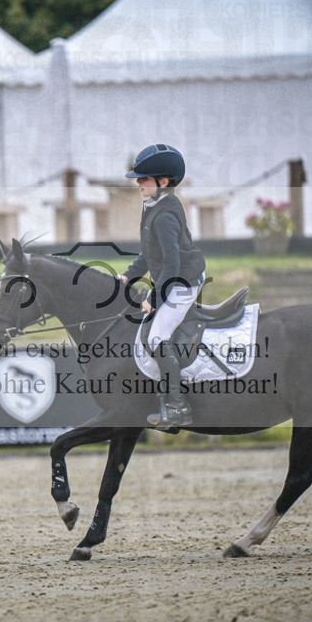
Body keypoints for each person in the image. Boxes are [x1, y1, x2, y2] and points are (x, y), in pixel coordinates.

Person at [117, 144, 206, 430]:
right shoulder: (154, 205)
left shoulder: (165, 215)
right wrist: (128, 277)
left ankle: (178, 408)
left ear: (163, 182)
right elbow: (148, 252)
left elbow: (171, 264)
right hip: (173, 276)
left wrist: (153, 299)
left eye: (144, 179)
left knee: (156, 339)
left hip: (183, 281)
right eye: (138, 178)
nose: (138, 183)